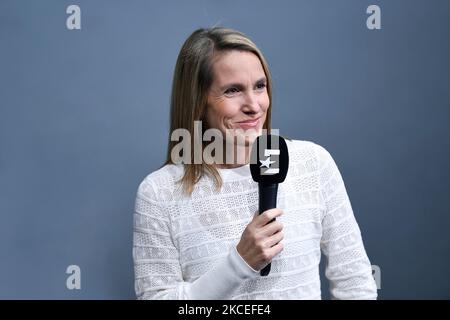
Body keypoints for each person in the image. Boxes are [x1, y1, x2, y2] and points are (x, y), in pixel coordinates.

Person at [133, 27, 377, 300]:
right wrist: (239, 263)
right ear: (198, 102)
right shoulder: (160, 192)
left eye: (260, 86)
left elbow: (355, 283)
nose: (254, 105)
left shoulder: (313, 163)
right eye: (233, 90)